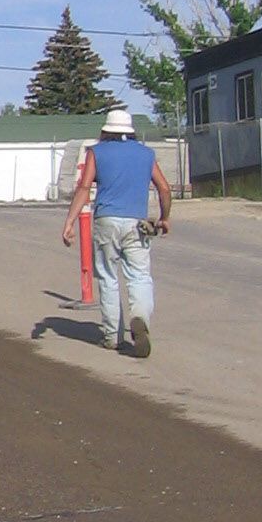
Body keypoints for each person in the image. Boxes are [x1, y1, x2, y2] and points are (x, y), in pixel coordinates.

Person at [61, 106, 172, 356]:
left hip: (106, 221)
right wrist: (164, 218)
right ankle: (140, 317)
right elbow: (164, 189)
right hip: (137, 223)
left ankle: (112, 336)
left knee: (108, 277)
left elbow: (83, 188)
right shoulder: (146, 154)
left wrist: (70, 221)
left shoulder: (96, 152)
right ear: (130, 131)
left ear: (106, 130)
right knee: (140, 275)